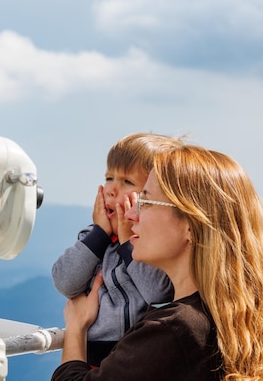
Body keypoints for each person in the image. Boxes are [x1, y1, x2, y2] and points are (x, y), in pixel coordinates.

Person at [51, 144, 263, 381]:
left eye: (146, 202)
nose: (129, 215)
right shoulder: (233, 315)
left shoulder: (173, 331)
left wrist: (76, 330)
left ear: (191, 225)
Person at [51, 133, 180, 366]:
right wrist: (99, 235)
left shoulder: (151, 244)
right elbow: (65, 282)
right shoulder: (92, 238)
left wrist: (126, 240)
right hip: (89, 355)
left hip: (136, 356)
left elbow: (157, 292)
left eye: (127, 182)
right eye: (109, 178)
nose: (111, 189)